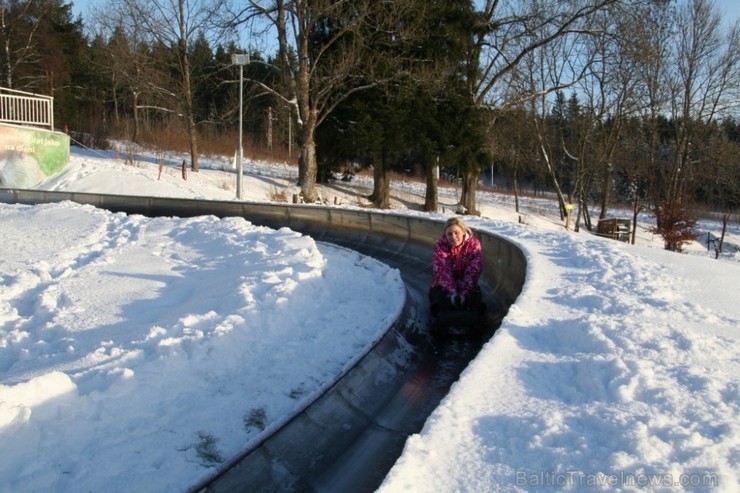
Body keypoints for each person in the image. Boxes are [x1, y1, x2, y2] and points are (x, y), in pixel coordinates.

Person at [429, 217, 484, 317]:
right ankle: (442, 317)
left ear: (463, 232)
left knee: (475, 297)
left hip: (466, 283)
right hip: (444, 285)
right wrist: (452, 293)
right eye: (449, 234)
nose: (453, 237)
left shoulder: (473, 245)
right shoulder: (441, 246)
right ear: (445, 235)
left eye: (456, 233)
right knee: (438, 297)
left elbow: (474, 270)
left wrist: (463, 293)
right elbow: (442, 270)